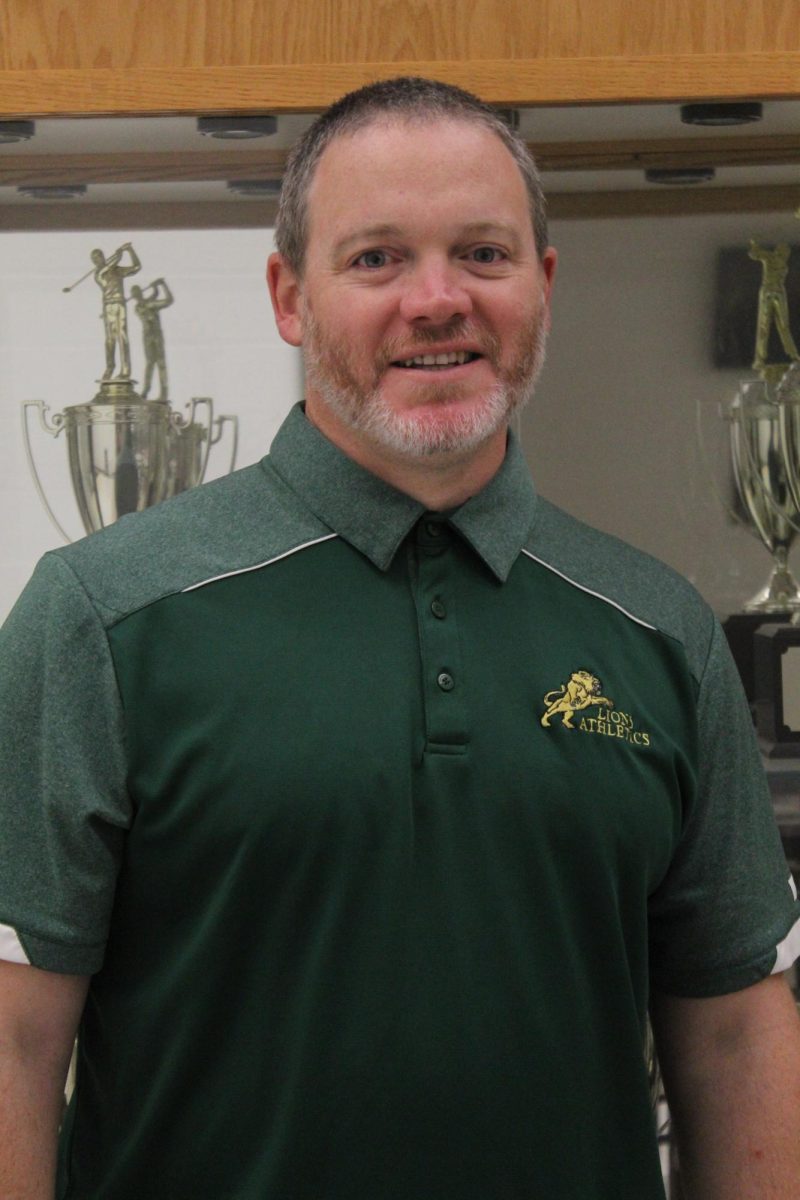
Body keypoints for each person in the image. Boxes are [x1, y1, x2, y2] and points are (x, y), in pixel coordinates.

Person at [1, 77, 799, 1200]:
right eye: (375, 259)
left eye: (482, 253)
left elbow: (731, 1037)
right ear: (290, 296)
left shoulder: (656, 628)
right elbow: (16, 1042)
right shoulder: (99, 617)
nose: (438, 299)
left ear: (542, 286)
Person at [90, 242, 141, 381]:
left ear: (103, 256)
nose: (97, 260)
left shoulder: (116, 270)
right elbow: (110, 265)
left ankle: (125, 370)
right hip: (108, 306)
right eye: (94, 259)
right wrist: (119, 254)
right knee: (110, 338)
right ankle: (110, 367)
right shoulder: (99, 274)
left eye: (99, 257)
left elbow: (137, 267)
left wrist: (130, 250)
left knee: (122, 336)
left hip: (120, 304)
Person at [748, 239, 800, 373]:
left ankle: (793, 355)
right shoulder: (769, 257)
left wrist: (755, 248)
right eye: (783, 251)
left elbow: (755, 254)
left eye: (786, 253)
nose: (784, 254)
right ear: (778, 251)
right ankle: (760, 359)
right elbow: (754, 254)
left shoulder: (782, 264)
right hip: (769, 292)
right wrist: (755, 245)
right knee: (764, 325)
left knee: (782, 325)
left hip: (777, 292)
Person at [131, 277, 174, 400]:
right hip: (147, 336)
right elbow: (152, 298)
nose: (135, 296)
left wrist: (162, 285)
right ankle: (146, 390)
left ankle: (164, 392)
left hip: (156, 335)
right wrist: (157, 287)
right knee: (150, 363)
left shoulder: (149, 304)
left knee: (160, 363)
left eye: (137, 292)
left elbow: (169, 300)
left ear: (140, 293)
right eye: (134, 294)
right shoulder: (139, 307)